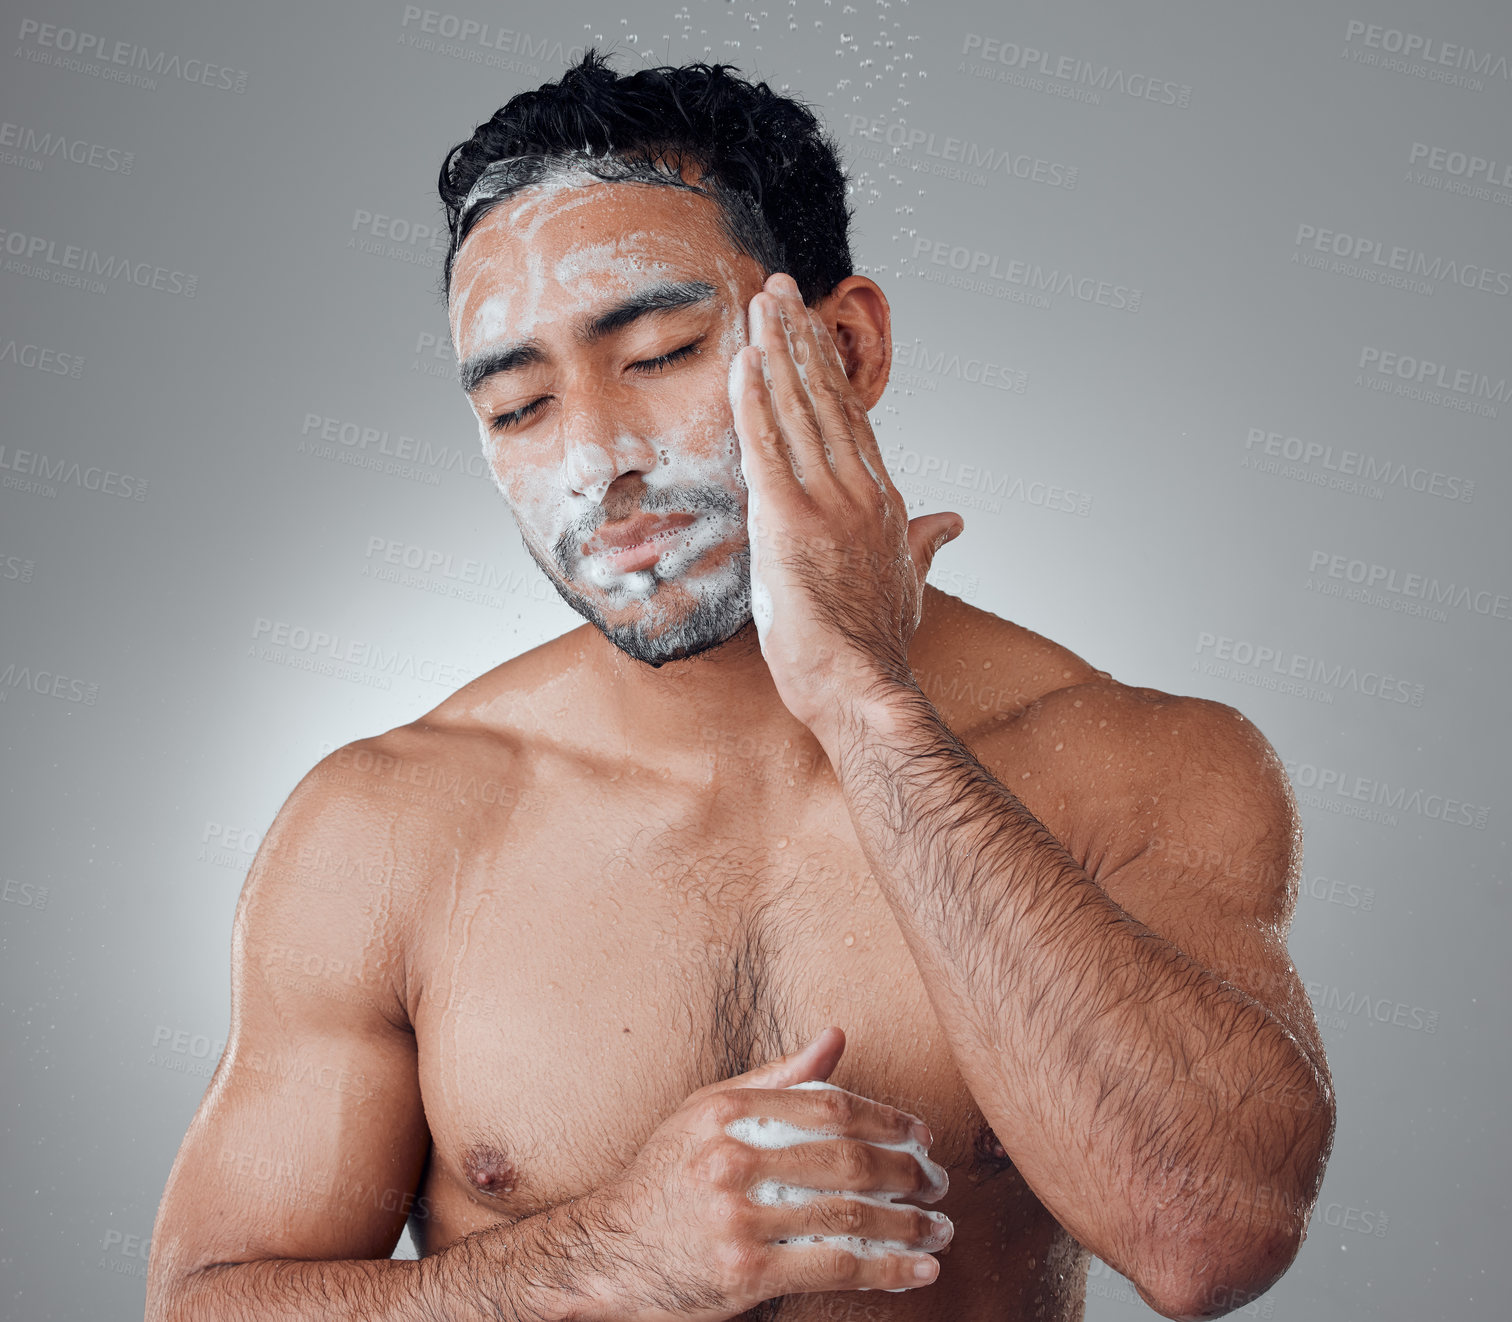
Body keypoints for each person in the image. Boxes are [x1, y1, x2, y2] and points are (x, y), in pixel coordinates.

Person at [145, 49, 1335, 1322]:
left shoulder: (1143, 764)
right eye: (520, 405)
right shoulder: (386, 827)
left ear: (846, 346)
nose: (596, 459)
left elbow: (1213, 1236)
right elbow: (207, 1305)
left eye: (656, 350)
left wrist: (866, 701)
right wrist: (610, 1256)